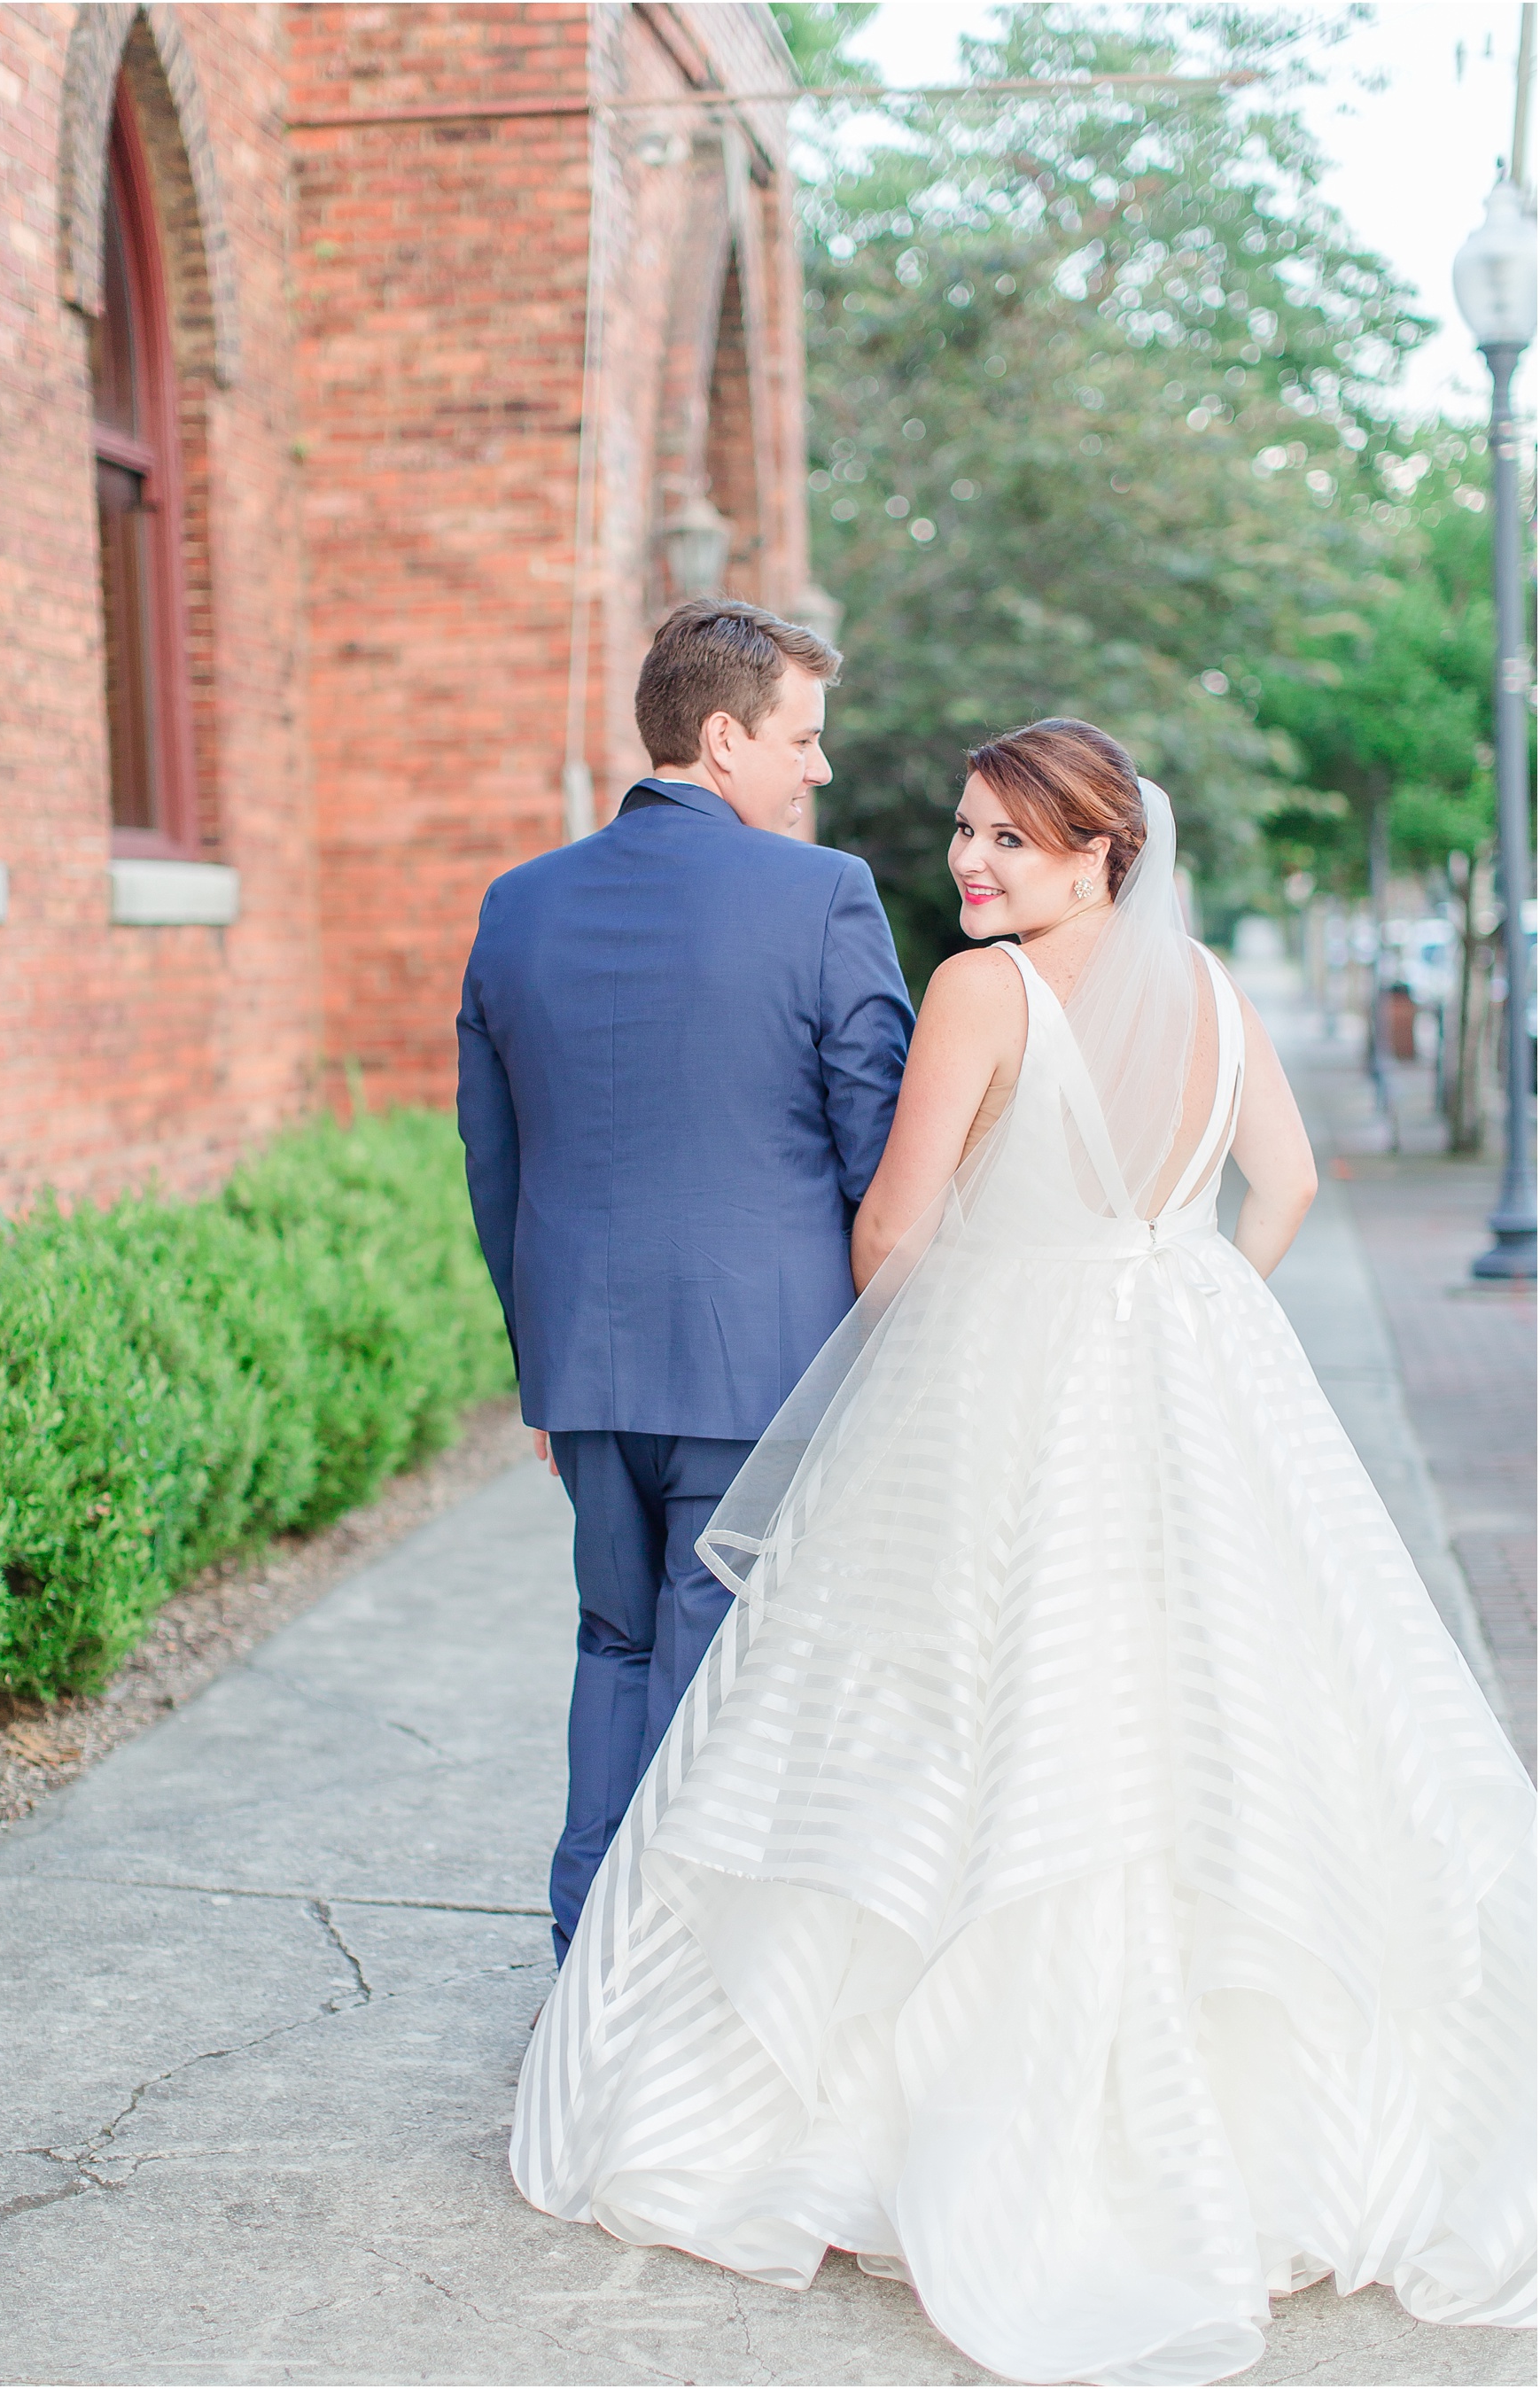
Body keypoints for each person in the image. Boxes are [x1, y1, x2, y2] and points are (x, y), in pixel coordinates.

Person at [510, 720, 1535, 2385]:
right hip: (1192, 1372)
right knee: (1210, 1710)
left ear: (1097, 853)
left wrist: (945, 1335)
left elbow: (897, 1230)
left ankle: (946, 2114)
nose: (972, 864)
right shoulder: (1204, 985)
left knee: (965, 1717)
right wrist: (1177, 1297)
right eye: (971, 834)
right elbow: (1283, 1184)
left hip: (1013, 1379)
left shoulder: (984, 992)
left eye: (1009, 839)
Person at [456, 599, 914, 1968]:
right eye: (802, 738)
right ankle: (655, 1994)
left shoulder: (518, 903)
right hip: (765, 1373)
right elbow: (878, 1157)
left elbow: (495, 1162)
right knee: (726, 1677)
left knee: (613, 1644)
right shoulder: (824, 897)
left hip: (587, 1370)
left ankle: (583, 1948)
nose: (817, 770)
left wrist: (544, 1370)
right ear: (723, 738)